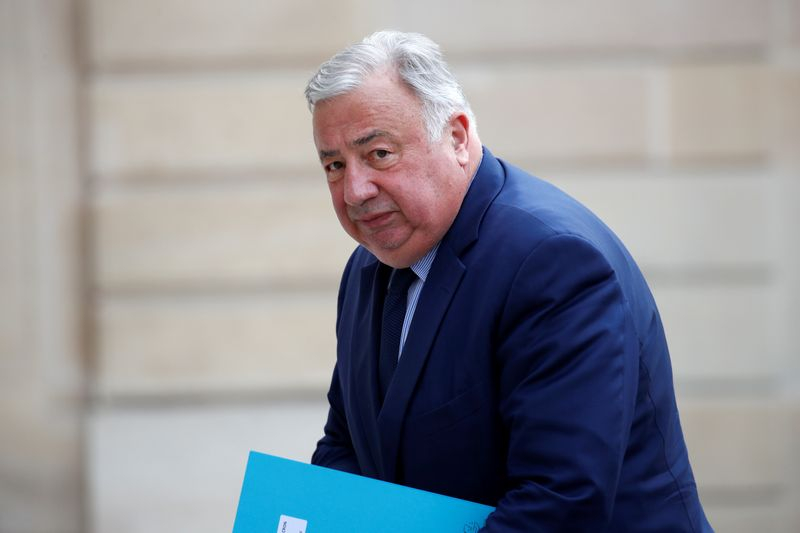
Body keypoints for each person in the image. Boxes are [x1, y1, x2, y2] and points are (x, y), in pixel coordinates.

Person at [305, 30, 712, 532]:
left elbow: (559, 502)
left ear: (457, 138)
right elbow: (346, 446)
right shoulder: (370, 266)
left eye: (380, 154)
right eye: (334, 165)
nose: (355, 191)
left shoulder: (554, 263)